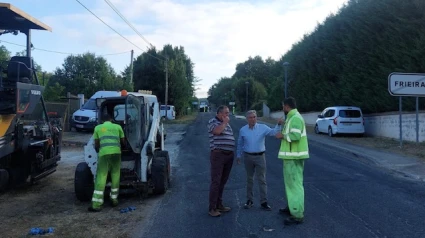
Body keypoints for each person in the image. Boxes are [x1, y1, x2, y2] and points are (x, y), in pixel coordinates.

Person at [236, 110, 282, 211]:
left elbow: (274, 132)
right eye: (250, 117)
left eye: (254, 117)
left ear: (257, 118)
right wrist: (238, 155)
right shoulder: (243, 130)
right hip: (248, 157)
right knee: (249, 179)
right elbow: (240, 143)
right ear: (247, 119)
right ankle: (249, 200)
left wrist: (278, 124)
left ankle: (264, 202)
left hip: (260, 157)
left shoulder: (263, 127)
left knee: (262, 179)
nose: (253, 119)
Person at [275, 97, 309, 225]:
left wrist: (281, 135)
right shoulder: (291, 117)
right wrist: (282, 125)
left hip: (293, 157)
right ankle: (292, 207)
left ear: (287, 106)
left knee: (294, 186)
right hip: (291, 157)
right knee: (291, 185)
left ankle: (297, 214)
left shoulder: (295, 118)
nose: (282, 108)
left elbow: (295, 136)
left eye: (283, 106)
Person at [88, 113, 125, 212]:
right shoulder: (118, 127)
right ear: (111, 119)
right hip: (116, 153)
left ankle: (96, 204)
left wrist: (98, 150)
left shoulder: (98, 128)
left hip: (104, 154)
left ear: (102, 121)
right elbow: (123, 141)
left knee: (101, 176)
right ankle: (114, 200)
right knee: (115, 175)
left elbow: (96, 143)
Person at [207, 105, 235, 217]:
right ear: (219, 113)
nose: (228, 115)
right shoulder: (212, 121)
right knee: (216, 181)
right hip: (218, 154)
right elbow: (217, 132)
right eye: (226, 113)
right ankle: (212, 208)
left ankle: (219, 204)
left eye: (228, 113)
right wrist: (224, 123)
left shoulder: (226, 124)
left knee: (223, 181)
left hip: (229, 155)